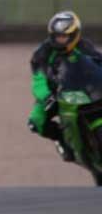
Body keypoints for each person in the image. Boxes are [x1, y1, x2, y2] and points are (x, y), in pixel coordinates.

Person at [28, 11, 102, 161]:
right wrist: (45, 96)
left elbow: (98, 63)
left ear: (74, 34)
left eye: (64, 36)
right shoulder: (42, 53)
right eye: (57, 36)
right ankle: (61, 139)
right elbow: (38, 80)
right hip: (55, 93)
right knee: (35, 121)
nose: (60, 40)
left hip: (84, 89)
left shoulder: (84, 46)